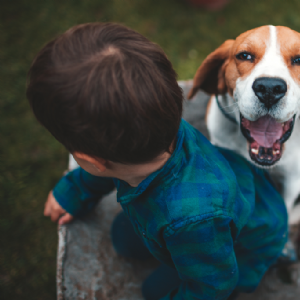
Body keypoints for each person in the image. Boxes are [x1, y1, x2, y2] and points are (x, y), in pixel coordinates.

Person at [26, 22, 287, 300]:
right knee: (122, 239)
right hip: (213, 211)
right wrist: (75, 191)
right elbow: (103, 166)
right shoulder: (153, 124)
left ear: (90, 159)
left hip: (244, 243)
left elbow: (214, 283)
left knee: (152, 290)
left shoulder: (194, 219)